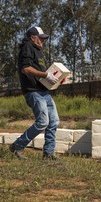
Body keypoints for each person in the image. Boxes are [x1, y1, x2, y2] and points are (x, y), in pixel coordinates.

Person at [9, 26, 59, 160]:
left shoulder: (38, 51)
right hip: (33, 91)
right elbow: (26, 69)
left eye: (44, 39)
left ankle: (48, 153)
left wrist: (54, 79)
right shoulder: (27, 47)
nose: (43, 41)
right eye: (41, 39)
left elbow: (42, 73)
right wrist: (45, 75)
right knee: (43, 122)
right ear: (33, 38)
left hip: (44, 91)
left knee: (54, 121)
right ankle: (17, 146)